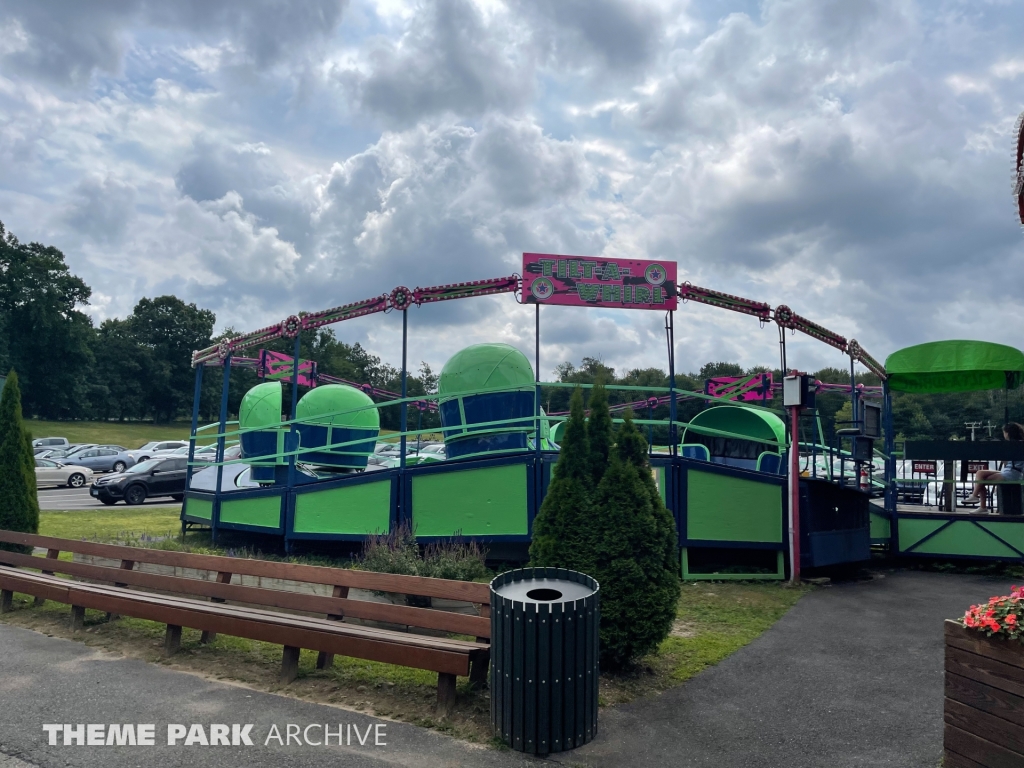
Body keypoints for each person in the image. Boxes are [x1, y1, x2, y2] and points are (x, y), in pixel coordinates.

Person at [966, 423, 1024, 512]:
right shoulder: (1017, 443)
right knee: (980, 473)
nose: (1004, 435)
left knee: (981, 481)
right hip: (1010, 471)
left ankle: (981, 505)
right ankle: (975, 497)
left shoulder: (1015, 444)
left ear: (1008, 433)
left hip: (1013, 473)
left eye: (1004, 432)